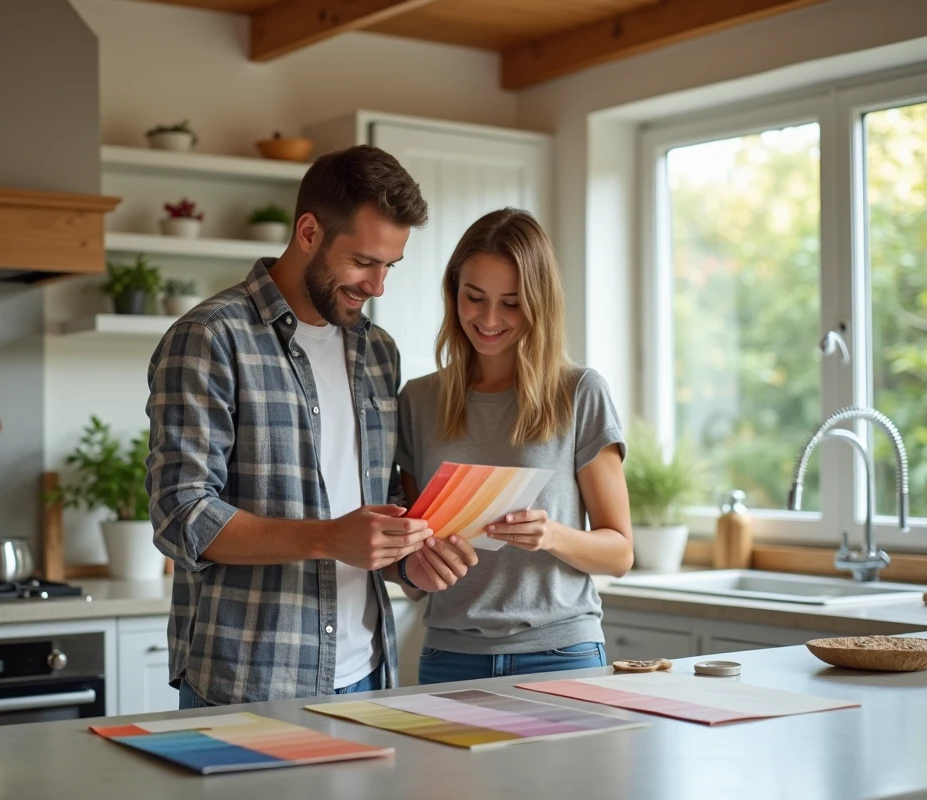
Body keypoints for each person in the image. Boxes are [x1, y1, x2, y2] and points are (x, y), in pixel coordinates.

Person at [146, 145, 441, 708]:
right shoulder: (212, 337)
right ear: (308, 231)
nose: (378, 286)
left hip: (369, 677)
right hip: (249, 683)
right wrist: (329, 537)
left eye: (389, 266)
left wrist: (413, 559)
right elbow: (181, 515)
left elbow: (377, 506)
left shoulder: (379, 352)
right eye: (362, 262)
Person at [387, 207, 634, 684]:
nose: (490, 319)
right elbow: (410, 560)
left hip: (562, 653)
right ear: (453, 291)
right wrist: (411, 566)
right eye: (474, 298)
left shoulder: (580, 392)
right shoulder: (418, 400)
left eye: (512, 303)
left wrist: (552, 535)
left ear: (539, 304)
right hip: (449, 655)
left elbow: (619, 553)